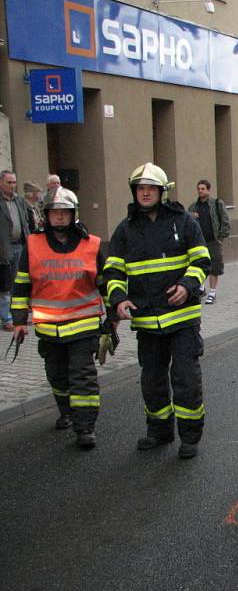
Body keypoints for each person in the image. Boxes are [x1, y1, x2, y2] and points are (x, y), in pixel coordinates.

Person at [104, 163, 210, 459]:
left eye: (151, 188)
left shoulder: (183, 221)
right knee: (152, 381)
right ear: (134, 192)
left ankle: (189, 436)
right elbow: (112, 272)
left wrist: (187, 287)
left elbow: (202, 261)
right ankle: (159, 430)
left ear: (162, 192)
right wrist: (118, 300)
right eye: (140, 188)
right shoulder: (125, 230)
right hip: (147, 321)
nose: (145, 192)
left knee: (186, 379)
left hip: (183, 320)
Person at [11, 188, 110, 449]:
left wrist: (112, 320)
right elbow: (21, 285)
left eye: (64, 212)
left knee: (83, 377)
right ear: (46, 215)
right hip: (48, 328)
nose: (59, 217)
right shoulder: (32, 244)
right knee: (57, 376)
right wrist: (19, 321)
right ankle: (66, 411)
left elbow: (106, 285)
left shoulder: (93, 244)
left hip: (83, 327)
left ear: (73, 215)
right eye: (54, 212)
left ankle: (85, 427)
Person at [188, 180, 230, 304]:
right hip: (199, 242)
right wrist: (191, 216)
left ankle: (212, 292)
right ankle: (201, 288)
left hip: (213, 241)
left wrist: (221, 237)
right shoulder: (193, 207)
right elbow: (186, 223)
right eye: (198, 189)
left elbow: (225, 220)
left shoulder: (216, 204)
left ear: (208, 190)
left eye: (202, 189)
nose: (200, 191)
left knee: (214, 267)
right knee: (199, 265)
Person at [0, 170, 31, 331]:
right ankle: (7, 318)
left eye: (14, 182)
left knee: (18, 282)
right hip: (4, 248)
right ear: (1, 183)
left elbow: (26, 222)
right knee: (5, 285)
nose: (12, 186)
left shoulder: (19, 201)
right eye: (9, 182)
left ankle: (19, 316)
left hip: (20, 245)